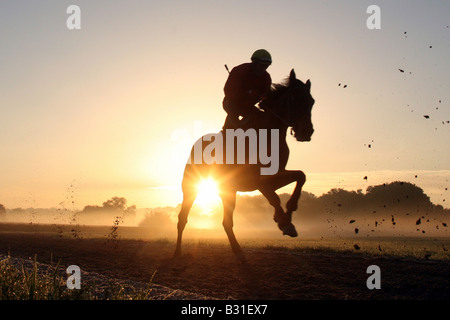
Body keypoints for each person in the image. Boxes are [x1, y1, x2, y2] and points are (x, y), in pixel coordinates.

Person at [222, 49, 272, 129]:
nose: (263, 68)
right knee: (234, 117)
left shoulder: (266, 78)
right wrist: (248, 94)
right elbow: (228, 90)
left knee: (261, 118)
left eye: (266, 66)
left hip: (248, 107)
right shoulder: (239, 70)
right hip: (231, 103)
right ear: (254, 63)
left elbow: (267, 95)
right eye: (261, 65)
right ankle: (225, 136)